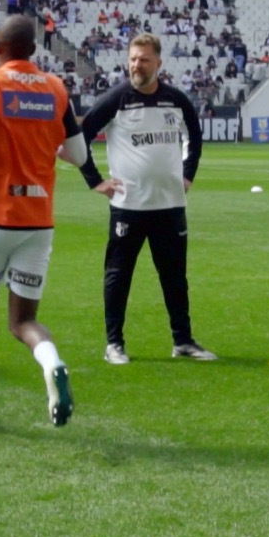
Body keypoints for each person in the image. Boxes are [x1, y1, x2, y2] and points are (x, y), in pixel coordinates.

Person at [0, 15, 88, 431]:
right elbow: (77, 155)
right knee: (23, 320)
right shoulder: (57, 88)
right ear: (33, 51)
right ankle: (52, 360)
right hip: (38, 221)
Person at [78, 33, 213, 365]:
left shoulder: (176, 100)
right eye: (133, 59)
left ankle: (182, 341)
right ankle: (114, 344)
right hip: (129, 206)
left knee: (174, 277)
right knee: (119, 275)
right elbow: (78, 138)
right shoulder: (116, 99)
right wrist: (95, 181)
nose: (137, 65)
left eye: (144, 59)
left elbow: (194, 137)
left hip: (170, 205)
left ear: (159, 64)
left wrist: (188, 174)